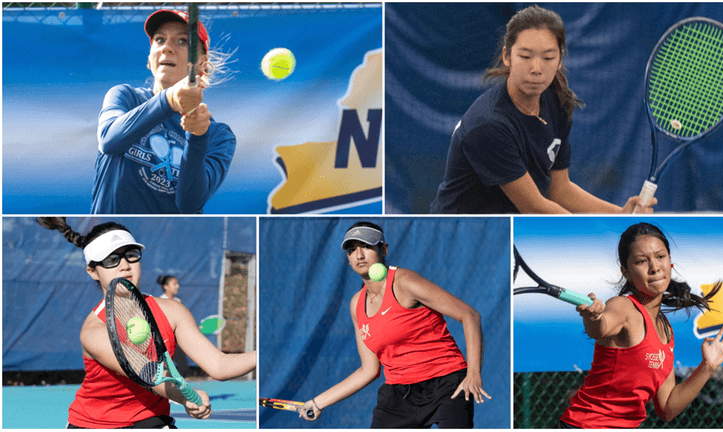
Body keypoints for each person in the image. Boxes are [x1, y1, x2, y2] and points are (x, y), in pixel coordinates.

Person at [430, 5, 656, 214]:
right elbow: (535, 208)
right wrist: (599, 231)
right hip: (459, 234)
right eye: (525, 56)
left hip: (510, 230)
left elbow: (559, 191)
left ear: (559, 60)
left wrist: (619, 215)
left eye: (548, 57)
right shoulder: (489, 125)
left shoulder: (557, 102)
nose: (536, 69)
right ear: (507, 56)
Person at [36, 217, 256, 428]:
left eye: (131, 255)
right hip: (95, 424)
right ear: (93, 272)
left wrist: (265, 353)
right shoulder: (94, 330)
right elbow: (148, 375)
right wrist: (186, 395)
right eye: (111, 260)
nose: (124, 266)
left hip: (150, 420)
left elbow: (218, 365)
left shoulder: (173, 311)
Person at [298, 222, 491, 428]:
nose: (359, 255)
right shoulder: (356, 305)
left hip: (446, 384)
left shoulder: (404, 282)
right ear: (348, 259)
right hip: (398, 396)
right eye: (352, 250)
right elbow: (369, 370)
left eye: (367, 246)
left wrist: (473, 374)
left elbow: (469, 315)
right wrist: (318, 403)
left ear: (384, 249)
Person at [558, 222, 723, 428]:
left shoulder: (666, 330)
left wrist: (707, 368)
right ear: (626, 272)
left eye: (660, 257)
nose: (654, 267)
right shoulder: (622, 306)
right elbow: (600, 328)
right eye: (641, 261)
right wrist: (592, 317)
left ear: (670, 262)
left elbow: (667, 408)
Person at [91, 9, 236, 214]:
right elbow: (108, 140)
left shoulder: (218, 135)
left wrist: (197, 138)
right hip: (112, 234)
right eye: (159, 40)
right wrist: (168, 100)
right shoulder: (125, 96)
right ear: (150, 59)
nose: (167, 47)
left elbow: (189, 204)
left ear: (201, 64)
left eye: (182, 41)